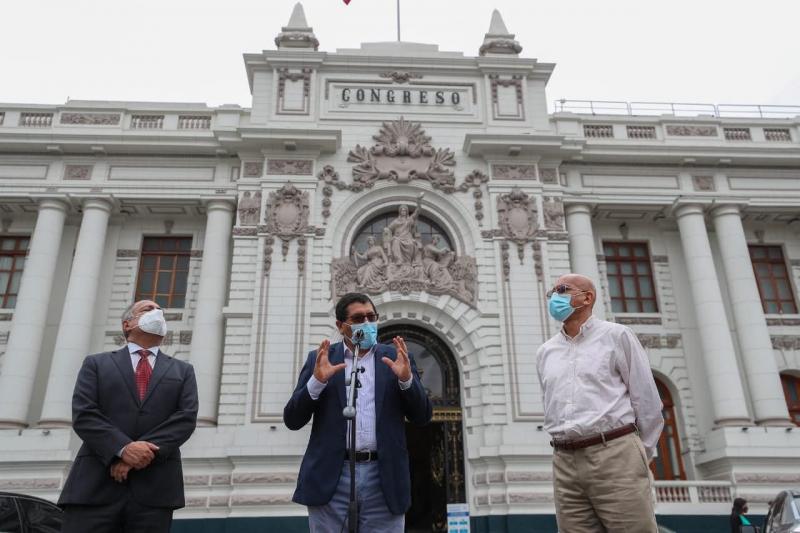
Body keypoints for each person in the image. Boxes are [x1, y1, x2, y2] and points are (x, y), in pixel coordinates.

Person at [284, 292, 432, 532]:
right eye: (358, 318)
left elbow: (423, 416)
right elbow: (292, 419)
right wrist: (317, 382)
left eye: (371, 317)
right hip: (331, 476)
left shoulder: (396, 358)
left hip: (383, 477)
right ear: (341, 326)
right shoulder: (321, 359)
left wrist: (406, 380)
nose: (366, 323)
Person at [536, 273, 664, 532]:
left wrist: (636, 453)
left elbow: (647, 401)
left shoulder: (617, 336)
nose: (554, 298)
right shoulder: (546, 352)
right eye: (552, 293)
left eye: (562, 290)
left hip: (615, 454)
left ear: (587, 298)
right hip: (564, 460)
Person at [58, 300, 198, 533]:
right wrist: (122, 449)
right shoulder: (97, 364)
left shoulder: (183, 370)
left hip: (154, 492)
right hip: (94, 486)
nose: (157, 313)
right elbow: (85, 414)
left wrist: (134, 456)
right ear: (127, 324)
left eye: (160, 311)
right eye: (148, 309)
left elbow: (185, 418)